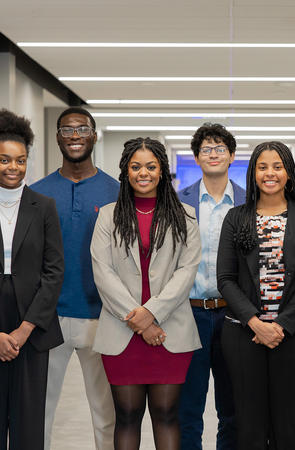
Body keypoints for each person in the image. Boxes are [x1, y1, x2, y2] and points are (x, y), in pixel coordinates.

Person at [90, 137, 202, 449]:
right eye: (136, 166)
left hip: (170, 332)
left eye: (151, 166)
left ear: (162, 171)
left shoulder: (185, 215)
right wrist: (140, 321)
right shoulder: (108, 216)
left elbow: (186, 271)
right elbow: (103, 272)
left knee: (167, 414)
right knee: (126, 415)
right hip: (121, 331)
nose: (143, 173)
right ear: (125, 171)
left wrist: (152, 314)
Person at [217, 141, 295, 450]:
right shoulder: (236, 217)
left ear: (289, 173)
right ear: (253, 173)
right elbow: (225, 279)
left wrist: (279, 325)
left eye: (277, 166)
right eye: (262, 167)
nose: (270, 173)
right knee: (248, 423)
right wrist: (256, 323)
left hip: (293, 334)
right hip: (242, 334)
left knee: (286, 421)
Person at [31, 107, 117, 450]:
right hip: (47, 318)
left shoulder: (116, 191)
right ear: (57, 138)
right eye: (67, 130)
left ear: (94, 135)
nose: (76, 136)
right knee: (39, 411)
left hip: (104, 318)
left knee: (106, 414)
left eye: (82, 129)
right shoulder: (37, 193)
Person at [0, 109, 64, 449]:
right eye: (5, 160)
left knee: (28, 426)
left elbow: (54, 272)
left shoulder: (44, 206)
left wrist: (25, 329)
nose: (14, 167)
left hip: (32, 324)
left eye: (20, 160)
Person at [178, 123, 244, 450]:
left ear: (232, 156)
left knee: (232, 408)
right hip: (190, 315)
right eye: (207, 148)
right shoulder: (178, 203)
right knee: (187, 408)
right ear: (196, 157)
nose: (214, 153)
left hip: (235, 317)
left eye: (220, 148)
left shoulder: (249, 202)